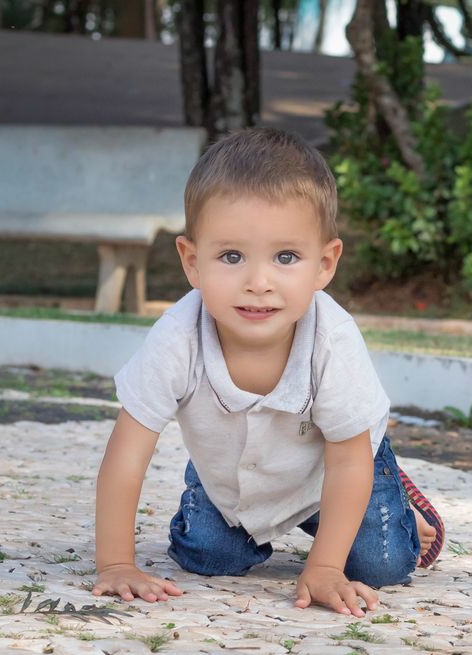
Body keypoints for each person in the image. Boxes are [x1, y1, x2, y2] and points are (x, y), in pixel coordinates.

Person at [91, 127, 443, 617]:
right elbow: (127, 455)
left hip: (339, 465)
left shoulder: (332, 341)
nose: (259, 283)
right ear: (192, 262)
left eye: (286, 257)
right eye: (231, 257)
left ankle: (401, 510)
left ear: (324, 264)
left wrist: (322, 569)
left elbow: (347, 462)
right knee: (209, 557)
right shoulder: (177, 336)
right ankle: (210, 494)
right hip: (236, 474)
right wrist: (114, 562)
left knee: (379, 565)